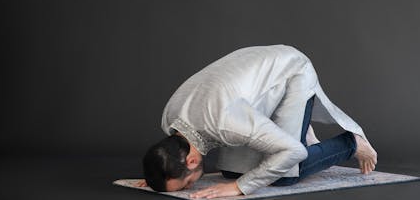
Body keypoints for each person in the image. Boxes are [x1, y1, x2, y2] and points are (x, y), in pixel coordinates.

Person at [139, 45, 377, 198]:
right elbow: (166, 158)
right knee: (232, 172)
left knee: (285, 175)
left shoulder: (225, 122)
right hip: (249, 86)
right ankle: (297, 129)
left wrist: (239, 188)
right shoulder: (169, 120)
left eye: (184, 185)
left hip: (291, 72)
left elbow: (292, 151)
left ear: (191, 161)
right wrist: (158, 175)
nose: (187, 189)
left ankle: (350, 143)